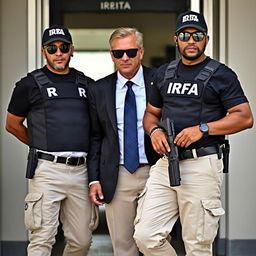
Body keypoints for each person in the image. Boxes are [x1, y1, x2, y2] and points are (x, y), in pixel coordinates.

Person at [133, 10, 254, 256]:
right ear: (176, 39)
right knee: (145, 236)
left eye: (197, 35)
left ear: (206, 39)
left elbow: (245, 117)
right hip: (167, 163)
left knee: (197, 245)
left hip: (202, 165)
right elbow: (150, 114)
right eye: (185, 35)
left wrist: (203, 129)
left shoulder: (222, 74)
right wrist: (154, 131)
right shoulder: (163, 73)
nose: (191, 40)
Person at [5, 25, 97, 256]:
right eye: (52, 48)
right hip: (47, 171)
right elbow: (12, 124)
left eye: (63, 47)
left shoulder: (86, 84)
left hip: (81, 172)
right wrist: (41, 145)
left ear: (71, 50)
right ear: (43, 51)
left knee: (82, 240)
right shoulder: (28, 85)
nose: (58, 52)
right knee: (42, 238)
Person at [87, 27, 159, 256]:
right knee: (123, 246)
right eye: (118, 53)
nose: (125, 58)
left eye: (130, 52)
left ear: (141, 52)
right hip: (118, 175)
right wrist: (94, 178)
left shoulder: (159, 81)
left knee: (155, 240)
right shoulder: (98, 89)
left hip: (156, 171)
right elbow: (95, 137)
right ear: (111, 55)